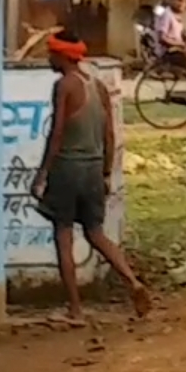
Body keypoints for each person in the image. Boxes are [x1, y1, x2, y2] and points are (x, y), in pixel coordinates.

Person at [33, 30, 152, 324]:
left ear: (63, 55)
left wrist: (43, 173)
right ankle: (133, 282)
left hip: (67, 169)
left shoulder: (64, 86)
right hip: (93, 169)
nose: (49, 58)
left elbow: (57, 132)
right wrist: (107, 172)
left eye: (51, 53)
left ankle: (75, 309)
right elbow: (109, 133)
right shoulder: (98, 86)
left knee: (63, 235)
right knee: (96, 232)